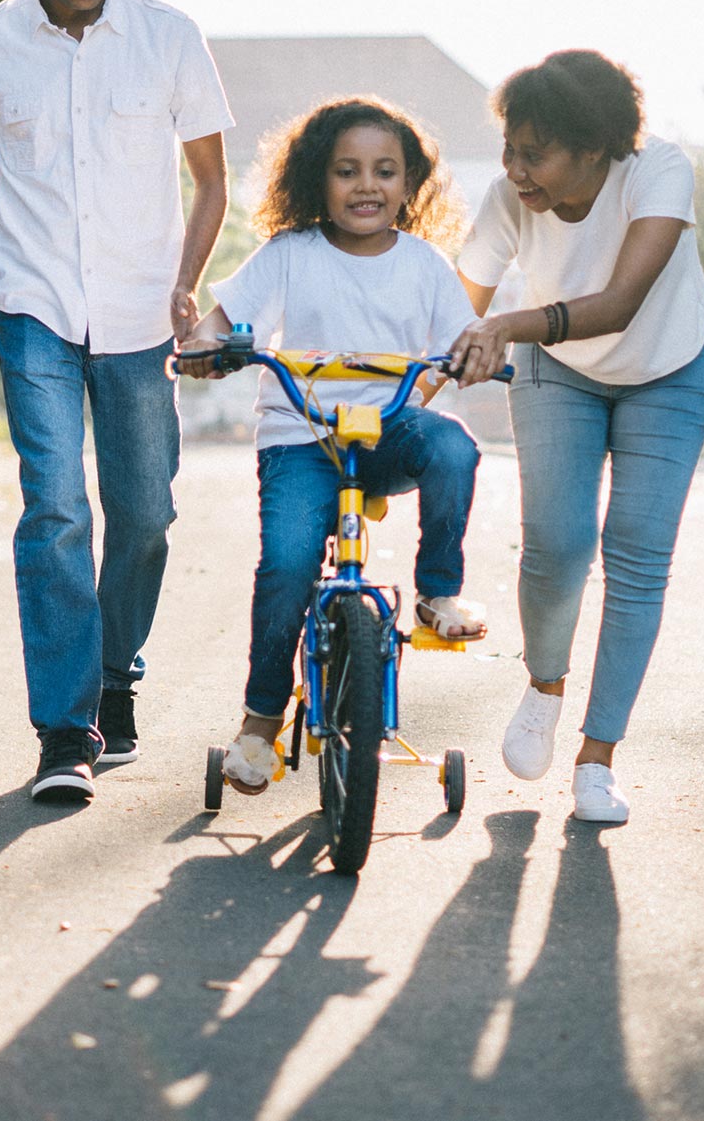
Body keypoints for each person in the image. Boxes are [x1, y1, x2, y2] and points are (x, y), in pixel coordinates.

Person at [0, 0, 233, 803]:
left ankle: (115, 676)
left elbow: (211, 179)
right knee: (57, 508)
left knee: (145, 514)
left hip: (143, 313)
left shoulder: (168, 36)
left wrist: (187, 284)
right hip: (34, 310)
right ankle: (65, 729)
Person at [177, 97, 484, 793]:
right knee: (286, 564)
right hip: (302, 439)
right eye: (347, 171)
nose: (366, 185)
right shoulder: (290, 255)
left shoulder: (427, 265)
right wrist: (205, 345)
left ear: (410, 186)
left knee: (455, 448)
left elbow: (461, 340)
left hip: (386, 431)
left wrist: (472, 356)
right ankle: (259, 723)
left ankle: (438, 592)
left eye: (385, 171)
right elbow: (223, 320)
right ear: (319, 179)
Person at [449, 49, 704, 825]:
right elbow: (452, 310)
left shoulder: (657, 172)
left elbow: (622, 301)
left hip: (670, 366)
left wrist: (504, 324)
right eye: (510, 148)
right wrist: (410, 386)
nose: (515, 169)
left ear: (594, 148)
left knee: (636, 552)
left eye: (534, 152)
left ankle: (598, 758)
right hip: (558, 371)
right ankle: (544, 685)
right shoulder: (510, 198)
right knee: (558, 542)